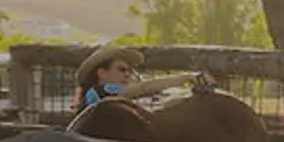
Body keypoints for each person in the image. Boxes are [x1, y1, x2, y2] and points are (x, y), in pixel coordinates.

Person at [74, 44, 211, 112]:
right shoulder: (101, 91)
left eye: (129, 71)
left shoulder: (105, 95)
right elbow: (143, 88)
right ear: (102, 73)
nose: (127, 74)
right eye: (121, 70)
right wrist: (187, 77)